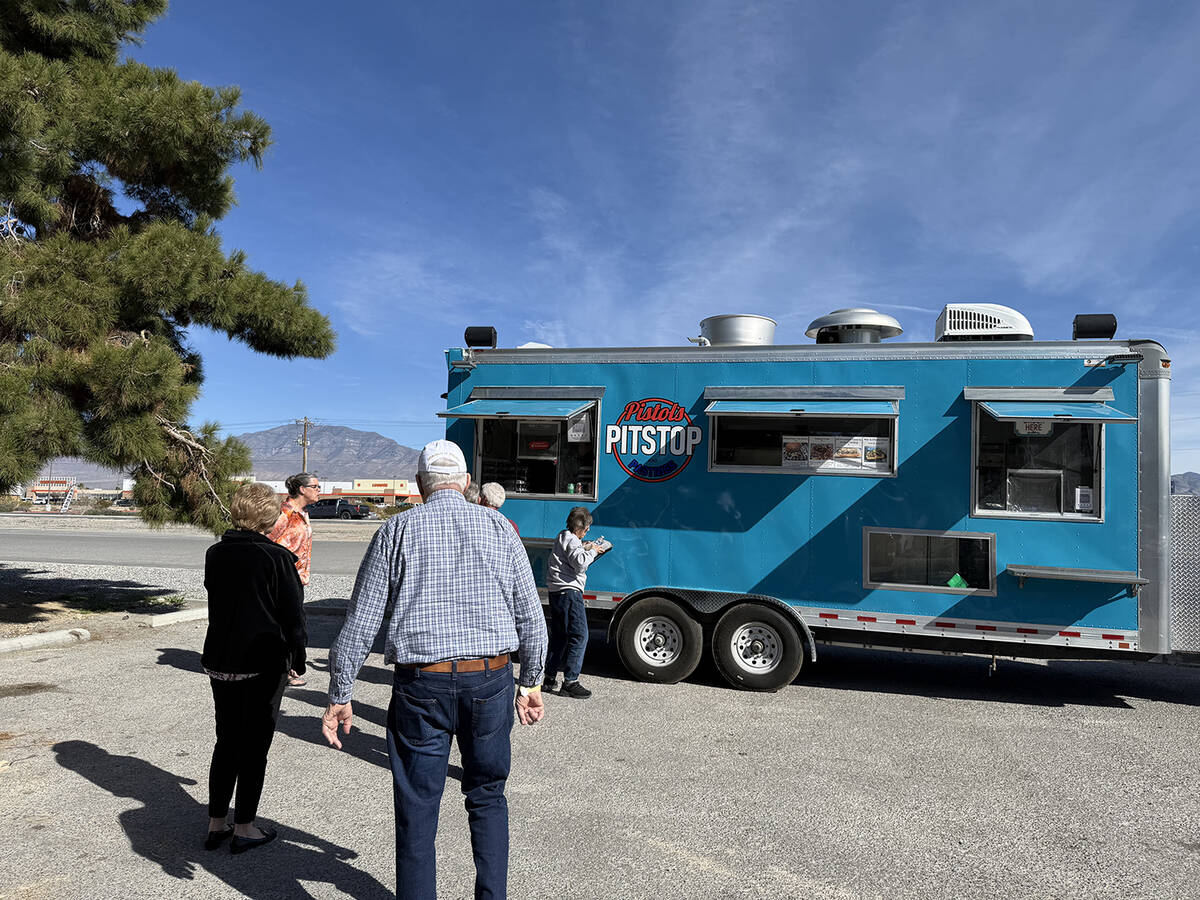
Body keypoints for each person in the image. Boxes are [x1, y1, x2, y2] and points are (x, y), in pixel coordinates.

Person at [321, 439, 547, 900]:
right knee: (487, 795)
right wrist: (532, 682)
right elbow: (530, 615)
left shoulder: (396, 530)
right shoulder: (501, 528)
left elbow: (361, 620)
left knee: (418, 806)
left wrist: (341, 692)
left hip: (421, 683)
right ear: (465, 483)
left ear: (421, 485)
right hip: (490, 679)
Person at [201, 481, 306, 855]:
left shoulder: (215, 554)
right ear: (269, 515)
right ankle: (244, 825)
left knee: (226, 739)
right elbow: (293, 618)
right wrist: (299, 659)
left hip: (221, 661)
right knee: (255, 746)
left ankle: (217, 822)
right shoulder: (276, 558)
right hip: (262, 663)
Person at [543, 506, 608, 698]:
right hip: (570, 592)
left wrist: (586, 547)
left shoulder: (563, 536)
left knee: (559, 636)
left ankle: (548, 679)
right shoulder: (572, 539)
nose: (587, 531)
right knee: (580, 635)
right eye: (586, 528)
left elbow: (573, 553)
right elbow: (579, 563)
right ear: (580, 527)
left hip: (556, 593)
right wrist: (594, 551)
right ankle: (570, 682)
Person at [268, 472, 318, 686]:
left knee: (292, 625)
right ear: (301, 489)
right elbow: (266, 541)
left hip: (297, 578)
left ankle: (287, 667)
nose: (318, 490)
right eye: (315, 486)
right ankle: (281, 670)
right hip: (281, 578)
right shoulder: (284, 514)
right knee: (286, 625)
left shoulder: (303, 513)